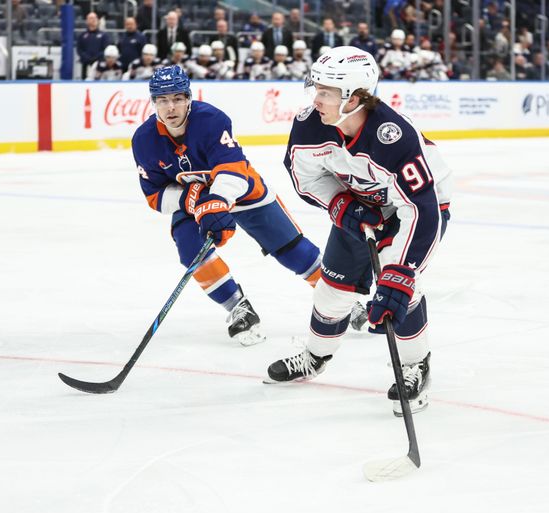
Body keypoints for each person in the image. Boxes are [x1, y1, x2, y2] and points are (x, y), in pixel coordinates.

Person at [266, 46, 453, 417]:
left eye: (325, 92)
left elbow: (423, 208)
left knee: (399, 287)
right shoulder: (308, 125)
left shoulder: (393, 136)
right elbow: (305, 178)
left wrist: (401, 273)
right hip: (359, 203)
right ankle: (315, 357)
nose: (315, 99)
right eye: (315, 88)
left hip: (414, 210)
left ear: (354, 97)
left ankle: (415, 365)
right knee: (331, 289)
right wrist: (340, 205)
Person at [130, 65, 325, 346]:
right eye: (162, 100)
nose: (170, 107)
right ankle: (238, 308)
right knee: (190, 252)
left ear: (188, 98)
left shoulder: (210, 120)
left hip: (241, 190)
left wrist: (218, 202)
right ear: (153, 103)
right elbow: (154, 196)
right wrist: (193, 200)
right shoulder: (144, 140)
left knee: (292, 250)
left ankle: (339, 299)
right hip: (194, 202)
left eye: (177, 98)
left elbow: (232, 168)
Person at [77, 12, 111, 79]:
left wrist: (96, 58)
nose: (92, 20)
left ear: (98, 20)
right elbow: (79, 49)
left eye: (94, 18)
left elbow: (105, 49)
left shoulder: (103, 35)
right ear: (86, 21)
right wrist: (86, 57)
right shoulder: (82, 35)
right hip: (85, 64)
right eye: (90, 18)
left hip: (100, 65)